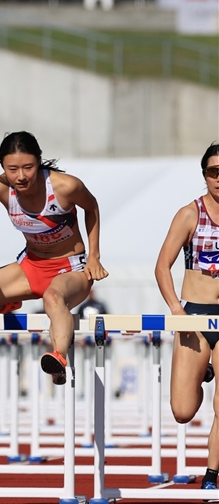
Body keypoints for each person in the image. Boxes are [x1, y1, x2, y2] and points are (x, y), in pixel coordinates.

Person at [0, 131, 108, 385]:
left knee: (53, 297)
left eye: (28, 167)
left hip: (71, 269)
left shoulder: (65, 186)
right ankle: (7, 302)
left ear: (38, 162)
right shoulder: (0, 186)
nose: (21, 176)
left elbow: (91, 208)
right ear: (3, 166)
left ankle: (58, 358)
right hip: (30, 268)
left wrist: (94, 256)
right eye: (12, 169)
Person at [155, 143, 219, 493]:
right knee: (182, 410)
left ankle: (212, 474)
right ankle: (202, 368)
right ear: (205, 174)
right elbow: (162, 266)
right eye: (214, 172)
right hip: (195, 314)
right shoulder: (189, 214)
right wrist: (177, 310)